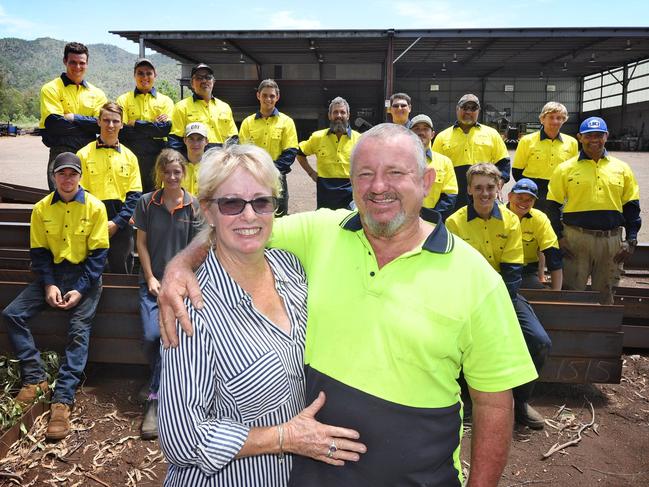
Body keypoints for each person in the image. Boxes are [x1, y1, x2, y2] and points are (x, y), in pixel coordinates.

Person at [158, 124, 538, 486]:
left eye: (395, 173)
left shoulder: (476, 277)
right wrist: (179, 265)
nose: (378, 187)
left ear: (426, 183)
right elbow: (240, 232)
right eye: (365, 174)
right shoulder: (320, 234)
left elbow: (493, 405)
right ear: (350, 183)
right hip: (310, 477)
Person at [157, 144, 366, 486]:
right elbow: (182, 438)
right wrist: (285, 438)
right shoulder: (192, 306)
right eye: (232, 203)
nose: (249, 216)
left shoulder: (292, 270)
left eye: (261, 201)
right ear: (208, 210)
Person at [2, 152, 108, 440]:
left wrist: (80, 289)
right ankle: (35, 379)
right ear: (53, 176)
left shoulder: (96, 208)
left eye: (72, 173)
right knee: (12, 314)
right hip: (52, 275)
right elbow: (39, 253)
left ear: (80, 176)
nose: (67, 179)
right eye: (62, 173)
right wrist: (49, 285)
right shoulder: (41, 209)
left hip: (85, 277)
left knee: (77, 330)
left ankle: (62, 399)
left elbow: (98, 257)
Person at [446, 163, 552, 430]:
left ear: (499, 188)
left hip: (502, 292)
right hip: (465, 295)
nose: (484, 193)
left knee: (539, 341)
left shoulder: (510, 221)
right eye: (478, 187)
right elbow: (454, 271)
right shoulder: (454, 222)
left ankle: (521, 401)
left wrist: (497, 311)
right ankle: (466, 401)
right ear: (468, 189)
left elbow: (513, 269)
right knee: (451, 340)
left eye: (490, 187)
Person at [133, 149, 201, 440]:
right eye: (167, 172)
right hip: (153, 284)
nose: (172, 177)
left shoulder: (194, 206)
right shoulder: (147, 203)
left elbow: (196, 251)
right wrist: (150, 277)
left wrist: (180, 283)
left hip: (181, 288)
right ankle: (156, 380)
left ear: (184, 173)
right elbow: (142, 245)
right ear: (159, 173)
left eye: (177, 172)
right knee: (151, 337)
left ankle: (155, 402)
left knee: (168, 338)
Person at [547, 116, 642, 304]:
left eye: (599, 135)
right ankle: (571, 330)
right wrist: (559, 237)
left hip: (611, 242)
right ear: (579, 137)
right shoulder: (565, 169)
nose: (594, 140)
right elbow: (553, 206)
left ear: (606, 136)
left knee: (606, 294)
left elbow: (631, 206)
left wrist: (631, 238)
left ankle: (603, 331)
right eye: (589, 135)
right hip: (575, 240)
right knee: (571, 292)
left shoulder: (622, 168)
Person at [77, 102, 143, 274]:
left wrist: (116, 223)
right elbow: (80, 192)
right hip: (90, 220)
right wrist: (98, 222)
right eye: (106, 120)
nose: (111, 125)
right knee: (89, 269)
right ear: (98, 122)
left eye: (115, 121)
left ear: (122, 123)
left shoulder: (131, 157)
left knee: (120, 268)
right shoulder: (83, 155)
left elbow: (135, 195)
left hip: (121, 223)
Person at [39, 42, 107, 191]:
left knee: (89, 198)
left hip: (90, 153)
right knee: (60, 198)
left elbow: (101, 125)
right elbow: (54, 125)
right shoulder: (51, 89)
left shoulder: (97, 94)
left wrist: (73, 117)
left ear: (87, 64)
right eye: (73, 62)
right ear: (65, 61)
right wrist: (88, 126)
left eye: (81, 63)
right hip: (60, 151)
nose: (77, 67)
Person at [432, 94, 510, 208]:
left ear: (478, 111)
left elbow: (504, 163)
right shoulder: (442, 137)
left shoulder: (492, 134)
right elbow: (434, 167)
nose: (468, 112)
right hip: (452, 196)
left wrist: (497, 186)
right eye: (464, 107)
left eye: (473, 108)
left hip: (483, 193)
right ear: (457, 109)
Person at [239, 79, 298, 216]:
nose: (268, 99)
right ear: (258, 96)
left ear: (277, 97)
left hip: (277, 180)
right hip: (253, 179)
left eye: (272, 96)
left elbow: (290, 152)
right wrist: (257, 171)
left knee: (280, 218)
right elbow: (243, 153)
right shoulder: (247, 123)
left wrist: (270, 171)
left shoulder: (286, 122)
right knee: (253, 216)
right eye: (265, 95)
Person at [116, 58, 174, 193]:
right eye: (140, 73)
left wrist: (135, 123)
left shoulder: (166, 101)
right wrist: (153, 126)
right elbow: (123, 131)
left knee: (155, 197)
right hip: (131, 155)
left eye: (149, 73)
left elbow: (165, 130)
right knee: (132, 195)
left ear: (155, 75)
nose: (145, 77)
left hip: (157, 157)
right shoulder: (123, 100)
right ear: (134, 75)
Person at [512, 102, 578, 213]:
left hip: (558, 192)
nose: (555, 121)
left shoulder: (572, 143)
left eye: (559, 118)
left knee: (555, 225)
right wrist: (527, 192)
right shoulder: (527, 141)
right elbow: (517, 170)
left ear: (564, 120)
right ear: (542, 119)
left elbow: (573, 171)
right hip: (533, 191)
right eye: (551, 117)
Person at [296, 97, 360, 210]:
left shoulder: (359, 140)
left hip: (350, 194)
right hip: (325, 195)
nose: (339, 115)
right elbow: (300, 153)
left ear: (348, 115)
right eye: (335, 112)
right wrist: (311, 173)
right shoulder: (318, 137)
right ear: (329, 116)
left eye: (342, 112)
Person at [168, 63, 238, 152]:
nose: (204, 81)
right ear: (192, 83)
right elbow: (175, 141)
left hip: (220, 162)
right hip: (194, 163)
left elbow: (233, 139)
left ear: (213, 82)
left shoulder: (225, 107)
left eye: (208, 77)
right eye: (199, 78)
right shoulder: (181, 107)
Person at [507, 179, 563, 290]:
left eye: (529, 200)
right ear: (509, 196)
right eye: (519, 198)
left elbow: (553, 256)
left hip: (526, 274)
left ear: (534, 202)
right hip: (498, 272)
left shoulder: (540, 219)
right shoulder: (496, 215)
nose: (524, 203)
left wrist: (556, 296)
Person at [410, 114, 458, 220]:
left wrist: (431, 218)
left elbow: (450, 195)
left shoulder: (445, 162)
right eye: (416, 129)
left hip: (433, 221)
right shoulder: (399, 161)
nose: (421, 132)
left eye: (425, 129)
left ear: (432, 134)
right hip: (404, 221)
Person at [181, 122, 209, 196]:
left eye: (199, 139)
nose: (195, 143)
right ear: (185, 141)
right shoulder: (176, 168)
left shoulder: (214, 168)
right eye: (191, 139)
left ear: (206, 141)